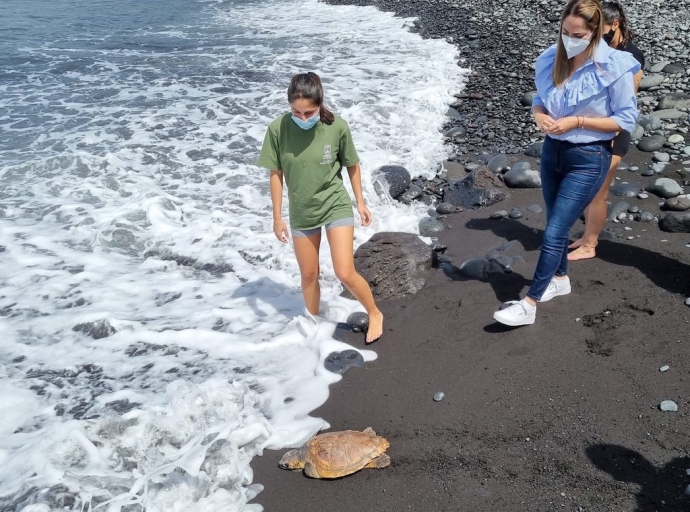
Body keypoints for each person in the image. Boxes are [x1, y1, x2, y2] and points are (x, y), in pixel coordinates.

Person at [493, 0, 640, 327]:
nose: (569, 39)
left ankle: (529, 304)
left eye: (577, 34)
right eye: (564, 32)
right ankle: (560, 279)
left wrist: (576, 121)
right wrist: (540, 113)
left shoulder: (614, 66)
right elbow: (541, 98)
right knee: (553, 223)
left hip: (589, 158)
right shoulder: (552, 58)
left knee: (556, 230)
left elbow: (626, 119)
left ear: (594, 33)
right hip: (552, 152)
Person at [258, 72, 384, 342]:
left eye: (309, 112)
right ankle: (314, 324)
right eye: (296, 112)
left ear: (320, 104)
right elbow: (275, 174)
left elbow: (352, 164)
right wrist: (276, 217)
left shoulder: (337, 126)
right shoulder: (277, 129)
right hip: (301, 211)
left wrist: (360, 201)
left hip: (334, 204)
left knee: (344, 272)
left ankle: (374, 313)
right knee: (309, 275)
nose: (303, 118)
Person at [568, 0, 645, 261]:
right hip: (599, 129)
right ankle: (587, 236)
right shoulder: (605, 51)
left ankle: (590, 245)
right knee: (591, 188)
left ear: (615, 24)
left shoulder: (630, 57)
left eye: (601, 31)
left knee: (599, 190)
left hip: (614, 131)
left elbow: (627, 101)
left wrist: (607, 131)